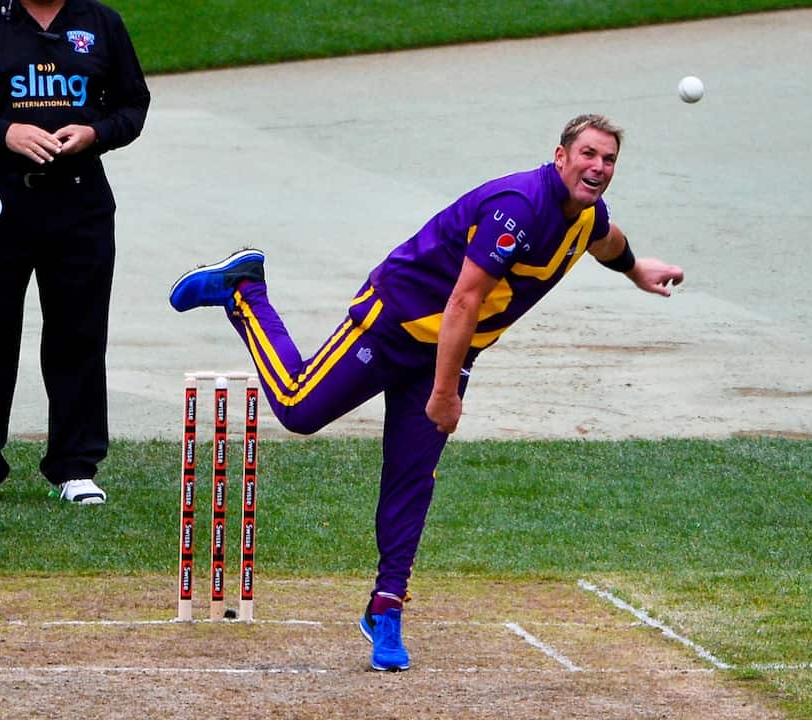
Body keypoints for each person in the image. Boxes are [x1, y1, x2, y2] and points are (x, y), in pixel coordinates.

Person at [168, 114, 685, 672]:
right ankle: (245, 290)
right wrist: (444, 393)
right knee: (297, 408)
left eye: (609, 160)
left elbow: (607, 240)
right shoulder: (518, 208)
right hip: (392, 324)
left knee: (412, 478)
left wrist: (636, 269)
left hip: (449, 350)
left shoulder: (586, 214)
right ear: (560, 156)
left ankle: (386, 607)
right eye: (588, 154)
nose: (599, 167)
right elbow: (464, 300)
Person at [0, 0, 150, 508]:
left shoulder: (101, 23)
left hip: (79, 199)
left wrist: (95, 133)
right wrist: (4, 132)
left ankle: (75, 465)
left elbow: (132, 105)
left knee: (79, 333)